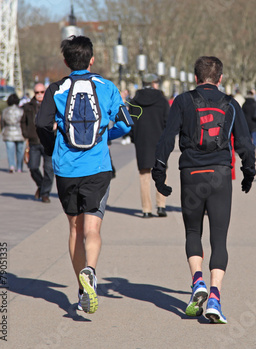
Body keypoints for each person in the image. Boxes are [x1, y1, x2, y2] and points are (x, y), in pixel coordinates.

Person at [152, 56, 256, 324]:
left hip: (191, 173)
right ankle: (214, 298)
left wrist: (159, 172)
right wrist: (248, 171)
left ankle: (197, 280)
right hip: (220, 174)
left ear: (195, 77)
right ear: (220, 78)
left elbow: (167, 138)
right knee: (219, 238)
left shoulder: (183, 101)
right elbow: (244, 141)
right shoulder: (231, 104)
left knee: (193, 231)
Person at [36, 35, 131, 314]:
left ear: (65, 61)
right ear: (91, 59)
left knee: (75, 228)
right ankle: (91, 270)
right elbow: (126, 124)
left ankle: (81, 289)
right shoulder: (107, 86)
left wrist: (54, 146)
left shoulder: (57, 88)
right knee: (93, 229)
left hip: (66, 169)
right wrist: (105, 136)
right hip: (98, 168)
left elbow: (42, 123)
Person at [128, 73, 170, 218]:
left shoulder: (134, 101)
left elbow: (130, 123)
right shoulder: (162, 100)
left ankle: (146, 209)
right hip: (159, 140)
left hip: (142, 141)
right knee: (161, 173)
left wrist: (134, 138)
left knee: (144, 175)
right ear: (153, 84)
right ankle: (161, 206)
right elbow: (168, 122)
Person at [21, 83, 54, 203]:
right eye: (37, 92)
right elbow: (23, 122)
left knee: (49, 169)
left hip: (49, 142)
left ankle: (45, 194)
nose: (40, 95)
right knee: (33, 167)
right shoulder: (28, 107)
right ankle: (41, 185)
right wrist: (26, 134)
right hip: (34, 141)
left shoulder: (52, 105)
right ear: (34, 93)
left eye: (42, 92)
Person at [1, 93, 25, 173]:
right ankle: (19, 167)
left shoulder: (5, 111)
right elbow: (24, 122)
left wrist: (2, 131)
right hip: (20, 133)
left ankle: (11, 166)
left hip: (8, 133)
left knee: (10, 151)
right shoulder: (21, 111)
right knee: (20, 151)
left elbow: (2, 123)